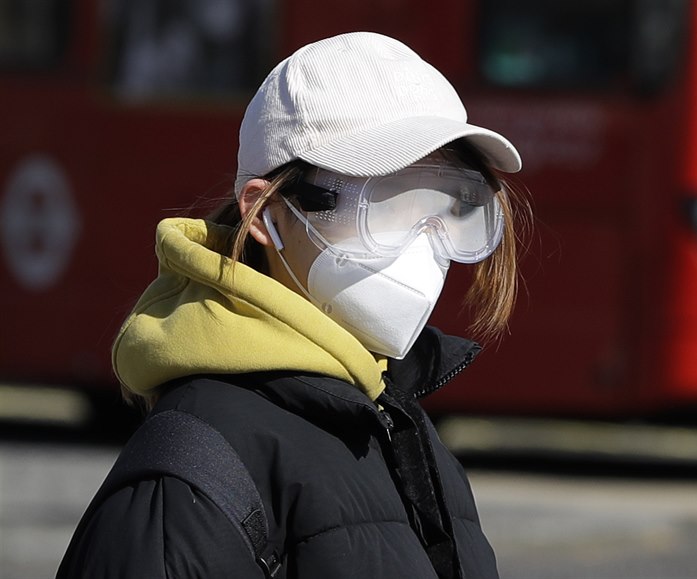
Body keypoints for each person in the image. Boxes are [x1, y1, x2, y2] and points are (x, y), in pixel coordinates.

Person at [58, 31, 527, 578]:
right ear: (265, 214)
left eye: (451, 207)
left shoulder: (402, 432)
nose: (427, 242)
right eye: (387, 203)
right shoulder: (190, 474)